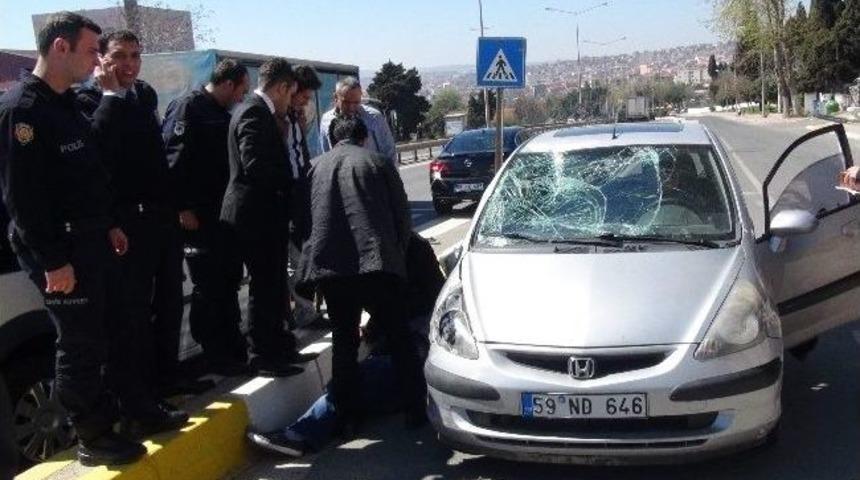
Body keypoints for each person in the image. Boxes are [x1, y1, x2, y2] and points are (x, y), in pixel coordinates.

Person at [0, 12, 146, 465]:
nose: (98, 60)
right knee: (79, 344)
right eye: (91, 50)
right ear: (60, 48)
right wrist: (51, 261)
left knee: (112, 333)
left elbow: (85, 179)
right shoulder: (22, 111)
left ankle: (117, 415)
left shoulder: (67, 104)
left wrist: (107, 224)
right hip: (62, 251)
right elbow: (22, 199)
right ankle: (92, 436)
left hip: (92, 239)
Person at [75, 30, 190, 429]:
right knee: (132, 317)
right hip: (125, 224)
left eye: (135, 56)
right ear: (100, 61)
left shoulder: (144, 96)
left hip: (160, 218)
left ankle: (164, 382)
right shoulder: (87, 101)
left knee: (170, 304)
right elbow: (99, 152)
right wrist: (112, 99)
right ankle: (136, 400)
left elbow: (153, 156)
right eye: (119, 56)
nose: (128, 65)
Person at [249, 233, 445, 457]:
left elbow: (425, 302)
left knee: (355, 380)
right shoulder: (367, 245)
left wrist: (382, 322)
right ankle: (330, 422)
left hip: (419, 351)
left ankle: (301, 435)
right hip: (400, 354)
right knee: (355, 379)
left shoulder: (409, 249)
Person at [296, 116, 426, 431]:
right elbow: (401, 217)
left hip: (331, 270)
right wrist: (397, 258)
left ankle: (348, 416)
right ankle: (414, 411)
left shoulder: (313, 167)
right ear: (364, 137)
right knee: (399, 338)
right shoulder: (378, 162)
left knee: (344, 341)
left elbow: (301, 222)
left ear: (331, 139)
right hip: (376, 265)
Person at [220, 58, 311, 377]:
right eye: (290, 93)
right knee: (265, 284)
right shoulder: (254, 113)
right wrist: (286, 190)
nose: (290, 101)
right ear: (282, 87)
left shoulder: (260, 111)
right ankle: (265, 354)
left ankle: (281, 346)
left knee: (273, 284)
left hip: (265, 214)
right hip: (255, 215)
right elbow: (255, 165)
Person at [162, 59, 251, 377]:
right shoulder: (189, 108)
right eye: (242, 89)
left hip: (222, 216)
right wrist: (182, 208)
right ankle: (214, 351)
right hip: (198, 219)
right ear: (229, 83)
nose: (242, 96)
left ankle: (233, 346)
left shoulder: (220, 113)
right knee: (209, 286)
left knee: (227, 281)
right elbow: (172, 163)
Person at [282, 65, 322, 326]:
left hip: (302, 194)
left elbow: (300, 155)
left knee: (307, 257)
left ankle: (309, 308)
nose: (306, 103)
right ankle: (301, 311)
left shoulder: (295, 117)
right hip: (287, 199)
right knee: (295, 260)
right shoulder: (276, 118)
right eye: (304, 97)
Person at [319, 76, 397, 165]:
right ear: (336, 98)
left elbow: (389, 152)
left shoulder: (374, 118)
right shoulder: (326, 120)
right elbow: (325, 153)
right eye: (346, 102)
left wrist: (392, 177)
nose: (351, 107)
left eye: (356, 102)